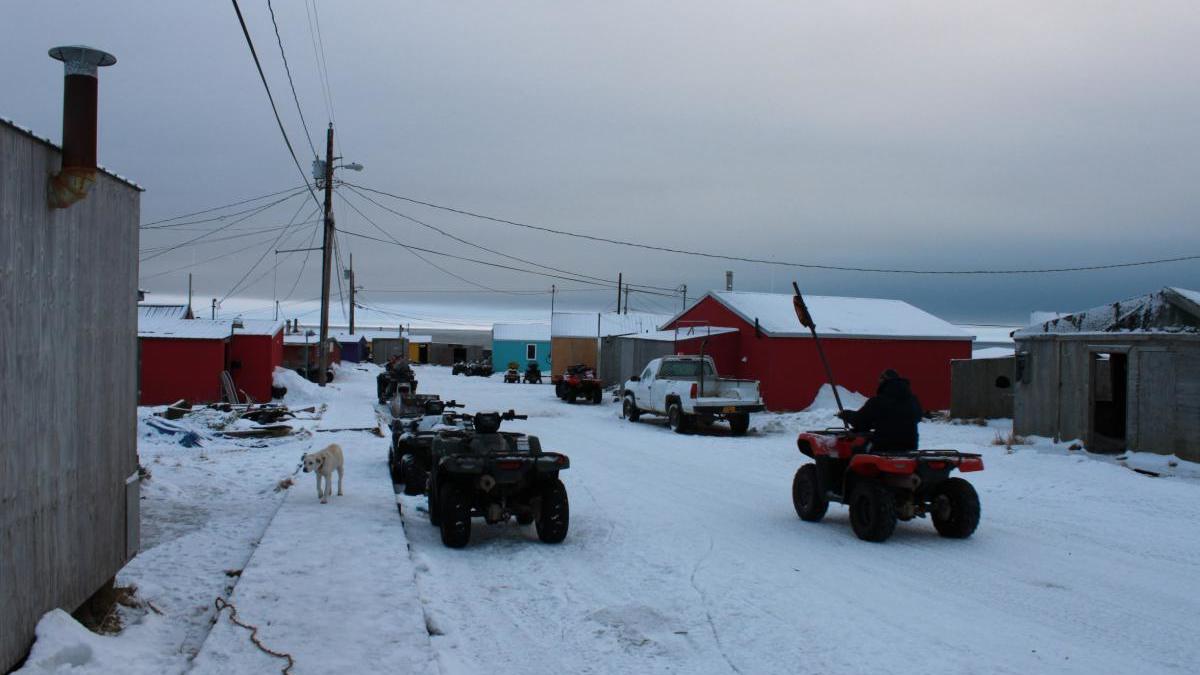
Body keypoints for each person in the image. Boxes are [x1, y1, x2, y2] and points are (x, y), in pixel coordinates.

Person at [836, 369, 923, 452]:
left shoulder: (879, 401)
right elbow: (916, 417)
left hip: (883, 446)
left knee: (855, 451)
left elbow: (860, 420)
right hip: (910, 446)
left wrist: (845, 414)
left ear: (884, 380)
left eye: (880, 378)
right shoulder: (913, 401)